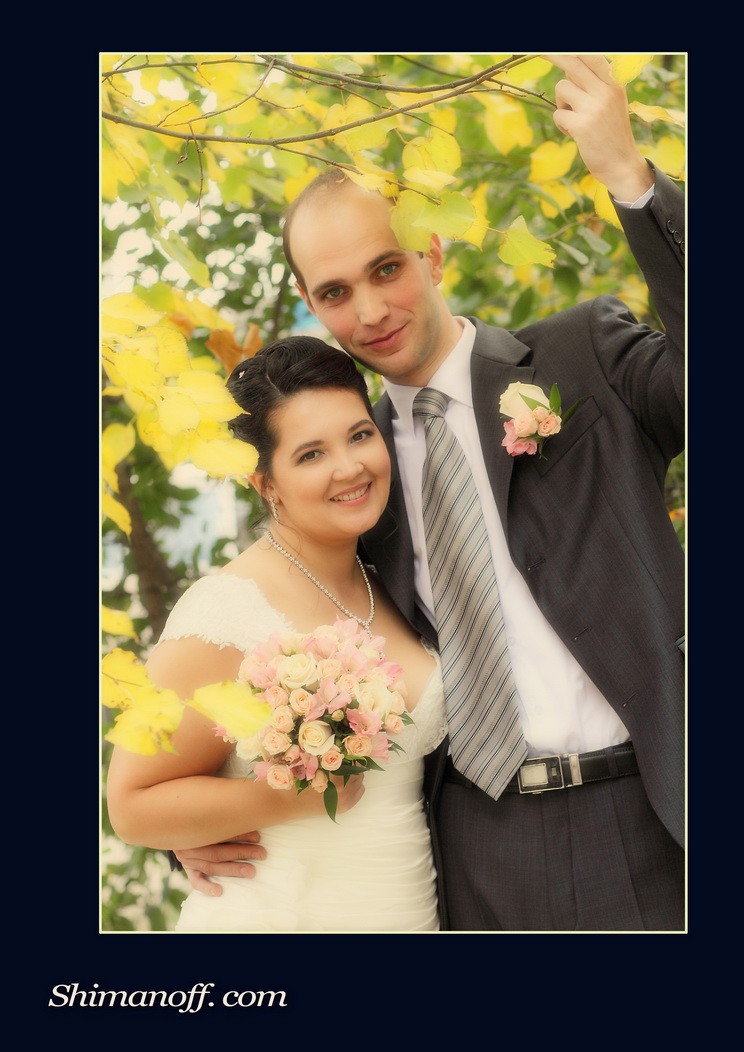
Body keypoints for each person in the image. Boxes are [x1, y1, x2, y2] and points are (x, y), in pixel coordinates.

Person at [172, 54, 685, 931]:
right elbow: (273, 643)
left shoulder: (581, 357)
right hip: (470, 852)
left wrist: (629, 180)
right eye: (336, 292)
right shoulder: (349, 481)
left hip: (647, 817)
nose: (370, 311)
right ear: (311, 302)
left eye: (386, 269)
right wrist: (196, 824)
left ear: (432, 250)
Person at [106, 335, 448, 932]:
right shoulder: (225, 610)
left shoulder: (393, 579)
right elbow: (132, 806)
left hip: (407, 911)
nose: (350, 467)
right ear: (264, 481)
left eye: (359, 435)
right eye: (311, 454)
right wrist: (289, 796)